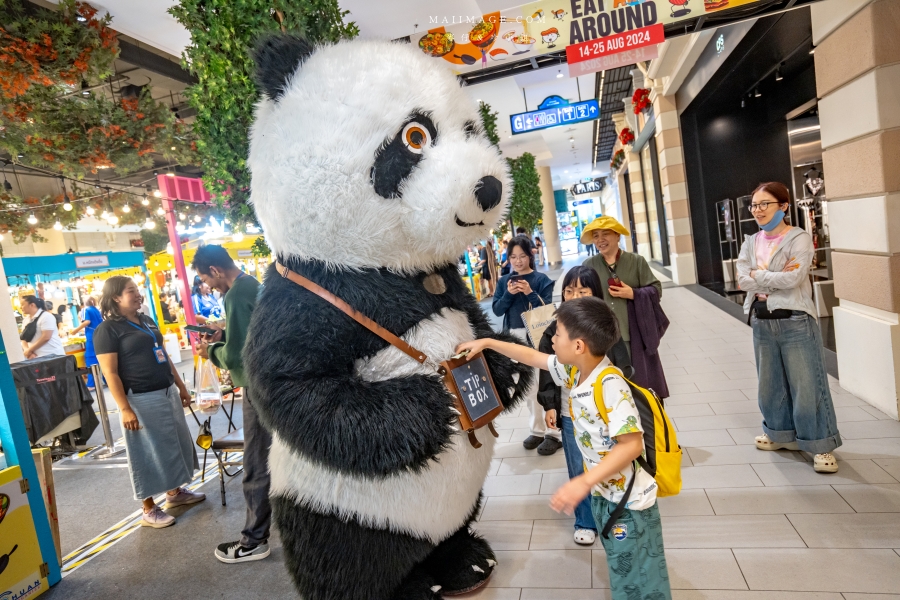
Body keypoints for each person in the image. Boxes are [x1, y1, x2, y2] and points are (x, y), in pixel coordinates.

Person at [457, 297, 671, 600]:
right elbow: (533, 357)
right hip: (605, 494)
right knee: (626, 570)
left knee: (637, 576)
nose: (551, 338)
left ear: (579, 346)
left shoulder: (610, 385)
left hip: (629, 504)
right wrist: (489, 342)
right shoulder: (576, 371)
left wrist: (583, 481)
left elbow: (632, 445)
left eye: (557, 333)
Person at [736, 182, 841, 474]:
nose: (757, 210)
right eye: (754, 205)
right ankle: (780, 434)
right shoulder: (750, 242)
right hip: (761, 319)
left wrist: (759, 275)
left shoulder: (799, 238)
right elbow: (742, 281)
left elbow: (793, 279)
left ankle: (821, 444)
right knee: (769, 384)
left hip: (795, 319)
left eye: (764, 204)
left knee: (807, 384)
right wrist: (768, 276)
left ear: (783, 206)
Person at [93, 277, 204, 529]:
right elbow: (109, 373)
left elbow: (163, 355)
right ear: (115, 298)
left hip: (165, 392)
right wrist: (124, 408)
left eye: (137, 290)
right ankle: (148, 508)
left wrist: (182, 386)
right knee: (145, 451)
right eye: (131, 291)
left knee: (173, 443)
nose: (137, 294)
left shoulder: (147, 320)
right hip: (139, 398)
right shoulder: (107, 330)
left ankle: (174, 493)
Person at [537, 267, 633, 545]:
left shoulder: (603, 327)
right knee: (577, 466)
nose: (574, 295)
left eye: (582, 291)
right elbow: (544, 365)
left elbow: (621, 367)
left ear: (596, 295)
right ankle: (585, 521)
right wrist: (549, 404)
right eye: (569, 290)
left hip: (602, 414)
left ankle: (613, 514)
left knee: (607, 466)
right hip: (570, 414)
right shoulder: (557, 328)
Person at [192, 245, 270, 563]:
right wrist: (223, 331)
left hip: (257, 387)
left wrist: (208, 352)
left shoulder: (236, 294)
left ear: (215, 270)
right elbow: (250, 333)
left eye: (206, 280)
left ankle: (254, 540)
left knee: (255, 464)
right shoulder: (252, 284)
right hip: (273, 383)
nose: (208, 287)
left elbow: (237, 354)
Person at [583, 216, 669, 398]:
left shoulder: (636, 261)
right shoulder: (589, 265)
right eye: (596, 236)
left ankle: (643, 417)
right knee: (607, 386)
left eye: (605, 234)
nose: (600, 240)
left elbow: (656, 289)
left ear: (617, 236)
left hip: (633, 334)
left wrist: (633, 294)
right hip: (601, 336)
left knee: (638, 383)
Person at [492, 236, 560, 455]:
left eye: (522, 256)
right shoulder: (504, 282)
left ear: (530, 255)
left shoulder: (541, 279)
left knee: (546, 382)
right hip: (515, 336)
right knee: (528, 385)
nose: (518, 261)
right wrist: (509, 295)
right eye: (513, 257)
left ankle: (554, 433)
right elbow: (497, 310)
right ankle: (537, 430)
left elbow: (549, 309)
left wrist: (530, 291)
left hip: (539, 336)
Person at [71, 297, 103, 390]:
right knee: (102, 358)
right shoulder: (97, 310)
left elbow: (87, 321)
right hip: (101, 335)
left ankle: (92, 384)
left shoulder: (85, 310)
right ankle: (106, 380)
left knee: (90, 358)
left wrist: (75, 330)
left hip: (92, 337)